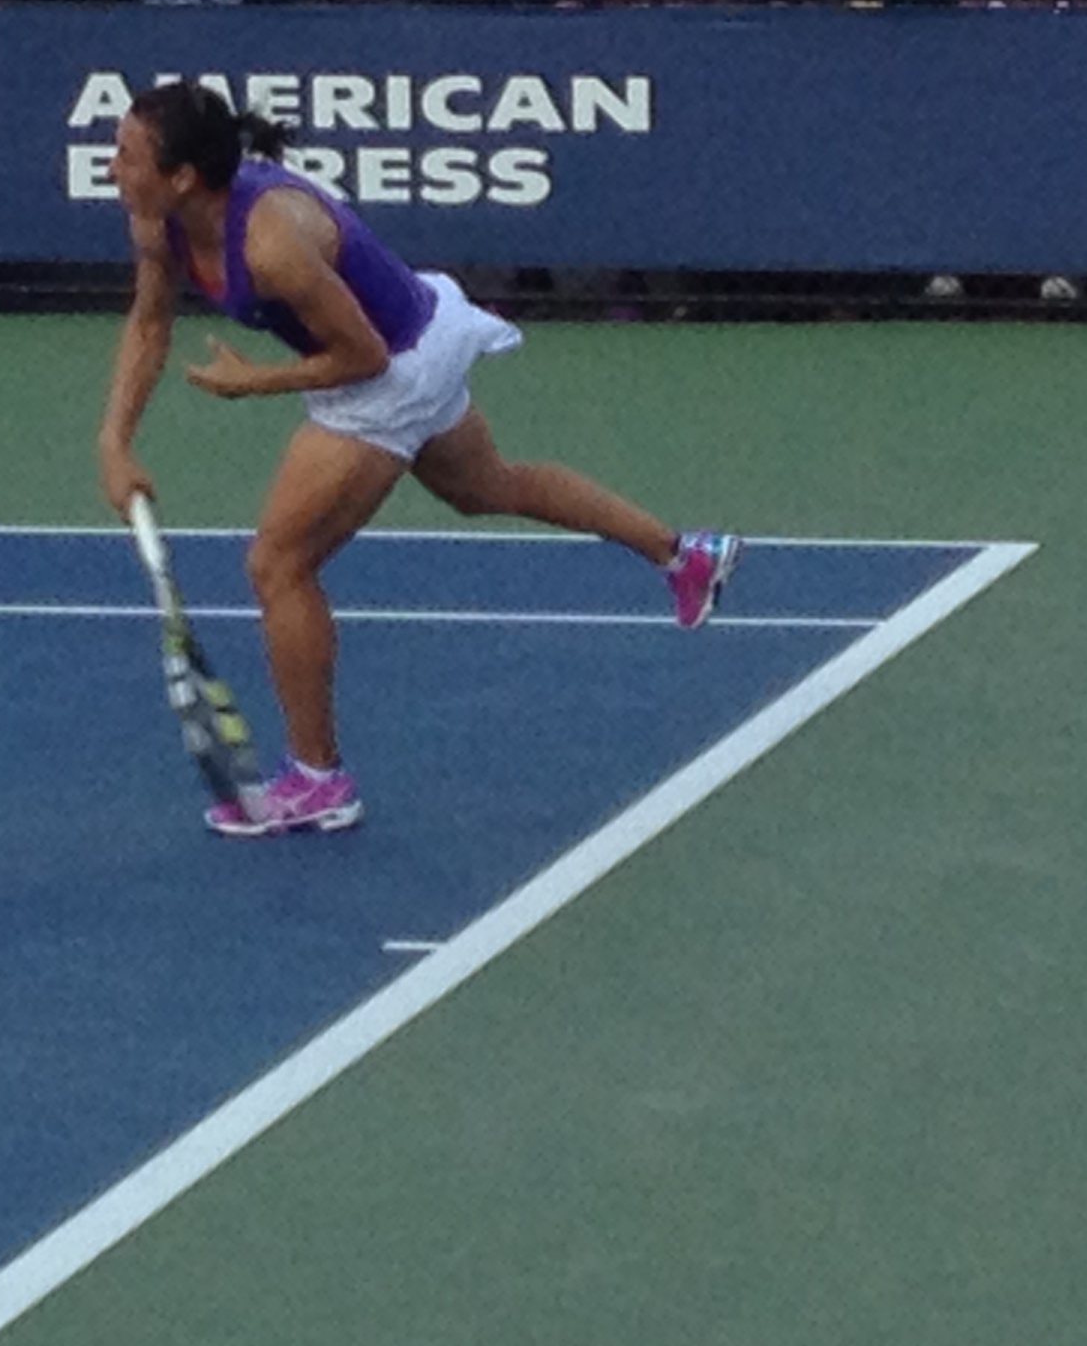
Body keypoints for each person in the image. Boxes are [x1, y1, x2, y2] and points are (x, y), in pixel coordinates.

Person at [94, 81, 742, 837]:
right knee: (487, 487)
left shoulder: (270, 245)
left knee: (278, 565)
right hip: (417, 332)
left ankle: (319, 781)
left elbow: (363, 357)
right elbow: (149, 323)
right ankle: (683, 554)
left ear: (182, 177)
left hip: (389, 370)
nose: (112, 166)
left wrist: (255, 380)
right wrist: (115, 441)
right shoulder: (157, 220)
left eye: (126, 154)